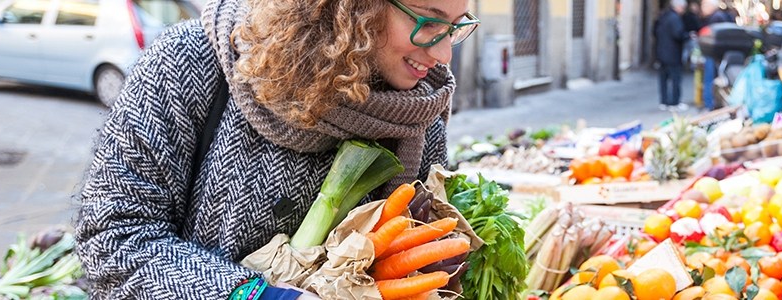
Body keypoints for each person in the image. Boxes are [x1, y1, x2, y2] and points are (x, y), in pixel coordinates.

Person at [73, 0, 478, 298]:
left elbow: (408, 251)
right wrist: (257, 295)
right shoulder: (190, 61)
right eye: (427, 21)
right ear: (356, 8)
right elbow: (113, 239)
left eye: (458, 26)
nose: (444, 55)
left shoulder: (417, 105)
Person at [698, 0, 735, 111]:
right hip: (716, 53)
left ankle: (709, 104)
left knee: (709, 79)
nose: (702, 8)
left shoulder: (716, 18)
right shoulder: (719, 16)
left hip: (712, 53)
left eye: (704, 5)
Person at [654, 0, 690, 111]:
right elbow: (678, 34)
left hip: (662, 52)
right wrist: (688, 36)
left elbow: (655, 31)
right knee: (675, 78)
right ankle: (674, 102)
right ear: (679, 7)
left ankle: (664, 102)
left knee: (663, 79)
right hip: (673, 53)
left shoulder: (663, 16)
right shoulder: (675, 18)